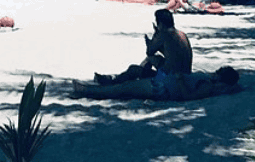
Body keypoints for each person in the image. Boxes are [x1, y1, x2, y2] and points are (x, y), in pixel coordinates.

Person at [93, 8, 192, 88]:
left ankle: (115, 82)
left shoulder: (163, 34)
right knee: (151, 59)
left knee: (133, 69)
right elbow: (172, 52)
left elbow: (149, 52)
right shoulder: (182, 34)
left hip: (170, 78)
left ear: (160, 23)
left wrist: (153, 38)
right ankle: (140, 78)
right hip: (185, 75)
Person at [72, 66, 240, 101]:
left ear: (221, 78)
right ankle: (99, 87)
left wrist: (180, 80)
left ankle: (88, 91)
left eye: (219, 72)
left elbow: (188, 97)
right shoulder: (209, 82)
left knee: (124, 88)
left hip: (162, 88)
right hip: (163, 82)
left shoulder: (208, 87)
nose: (215, 73)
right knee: (128, 81)